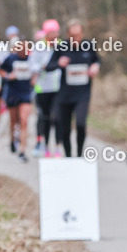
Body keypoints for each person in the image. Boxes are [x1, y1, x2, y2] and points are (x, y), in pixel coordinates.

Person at [45, 19, 100, 158]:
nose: (76, 39)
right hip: (65, 94)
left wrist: (95, 66)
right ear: (68, 34)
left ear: (82, 33)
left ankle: (79, 154)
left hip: (83, 93)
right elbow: (48, 67)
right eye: (73, 36)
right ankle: (69, 155)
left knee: (81, 123)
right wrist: (58, 63)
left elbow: (97, 60)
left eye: (78, 35)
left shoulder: (88, 45)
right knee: (65, 128)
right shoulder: (62, 47)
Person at [0, 38, 36, 163]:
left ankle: (22, 150)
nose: (25, 51)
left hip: (26, 93)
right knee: (14, 121)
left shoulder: (31, 59)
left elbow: (36, 70)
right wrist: (9, 76)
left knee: (24, 121)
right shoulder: (11, 59)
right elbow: (1, 71)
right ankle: (12, 140)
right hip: (13, 94)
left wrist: (34, 79)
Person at [29, 19, 61, 157]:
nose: (54, 35)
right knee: (45, 118)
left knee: (58, 118)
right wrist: (41, 67)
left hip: (59, 87)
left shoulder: (62, 45)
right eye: (51, 32)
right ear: (46, 33)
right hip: (42, 88)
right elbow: (32, 65)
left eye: (56, 32)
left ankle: (58, 147)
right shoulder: (39, 46)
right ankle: (46, 146)